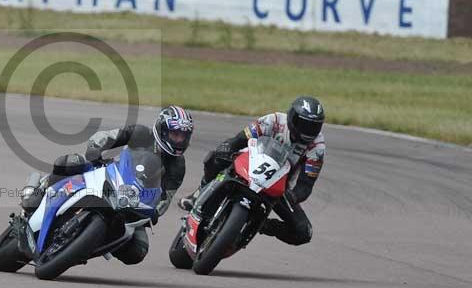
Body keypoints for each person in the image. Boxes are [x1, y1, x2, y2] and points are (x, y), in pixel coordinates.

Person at [23, 106, 194, 265]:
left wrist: (154, 211)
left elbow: (166, 196)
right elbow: (108, 136)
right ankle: (37, 191)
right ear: (162, 131)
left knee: (138, 251)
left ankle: (87, 245)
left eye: (183, 136)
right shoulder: (141, 134)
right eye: (175, 134)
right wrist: (95, 149)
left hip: (134, 201)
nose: (179, 140)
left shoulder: (178, 166)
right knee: (68, 162)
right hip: (109, 171)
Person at [179, 96, 325, 247]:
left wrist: (294, 196)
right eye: (303, 124)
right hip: (249, 163)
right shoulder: (274, 121)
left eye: (313, 127)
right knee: (215, 157)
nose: (307, 131)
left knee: (303, 232)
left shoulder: (317, 147)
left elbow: (306, 184)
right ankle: (201, 190)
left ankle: (261, 225)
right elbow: (241, 138)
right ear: (291, 117)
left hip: (277, 188)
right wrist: (227, 148)